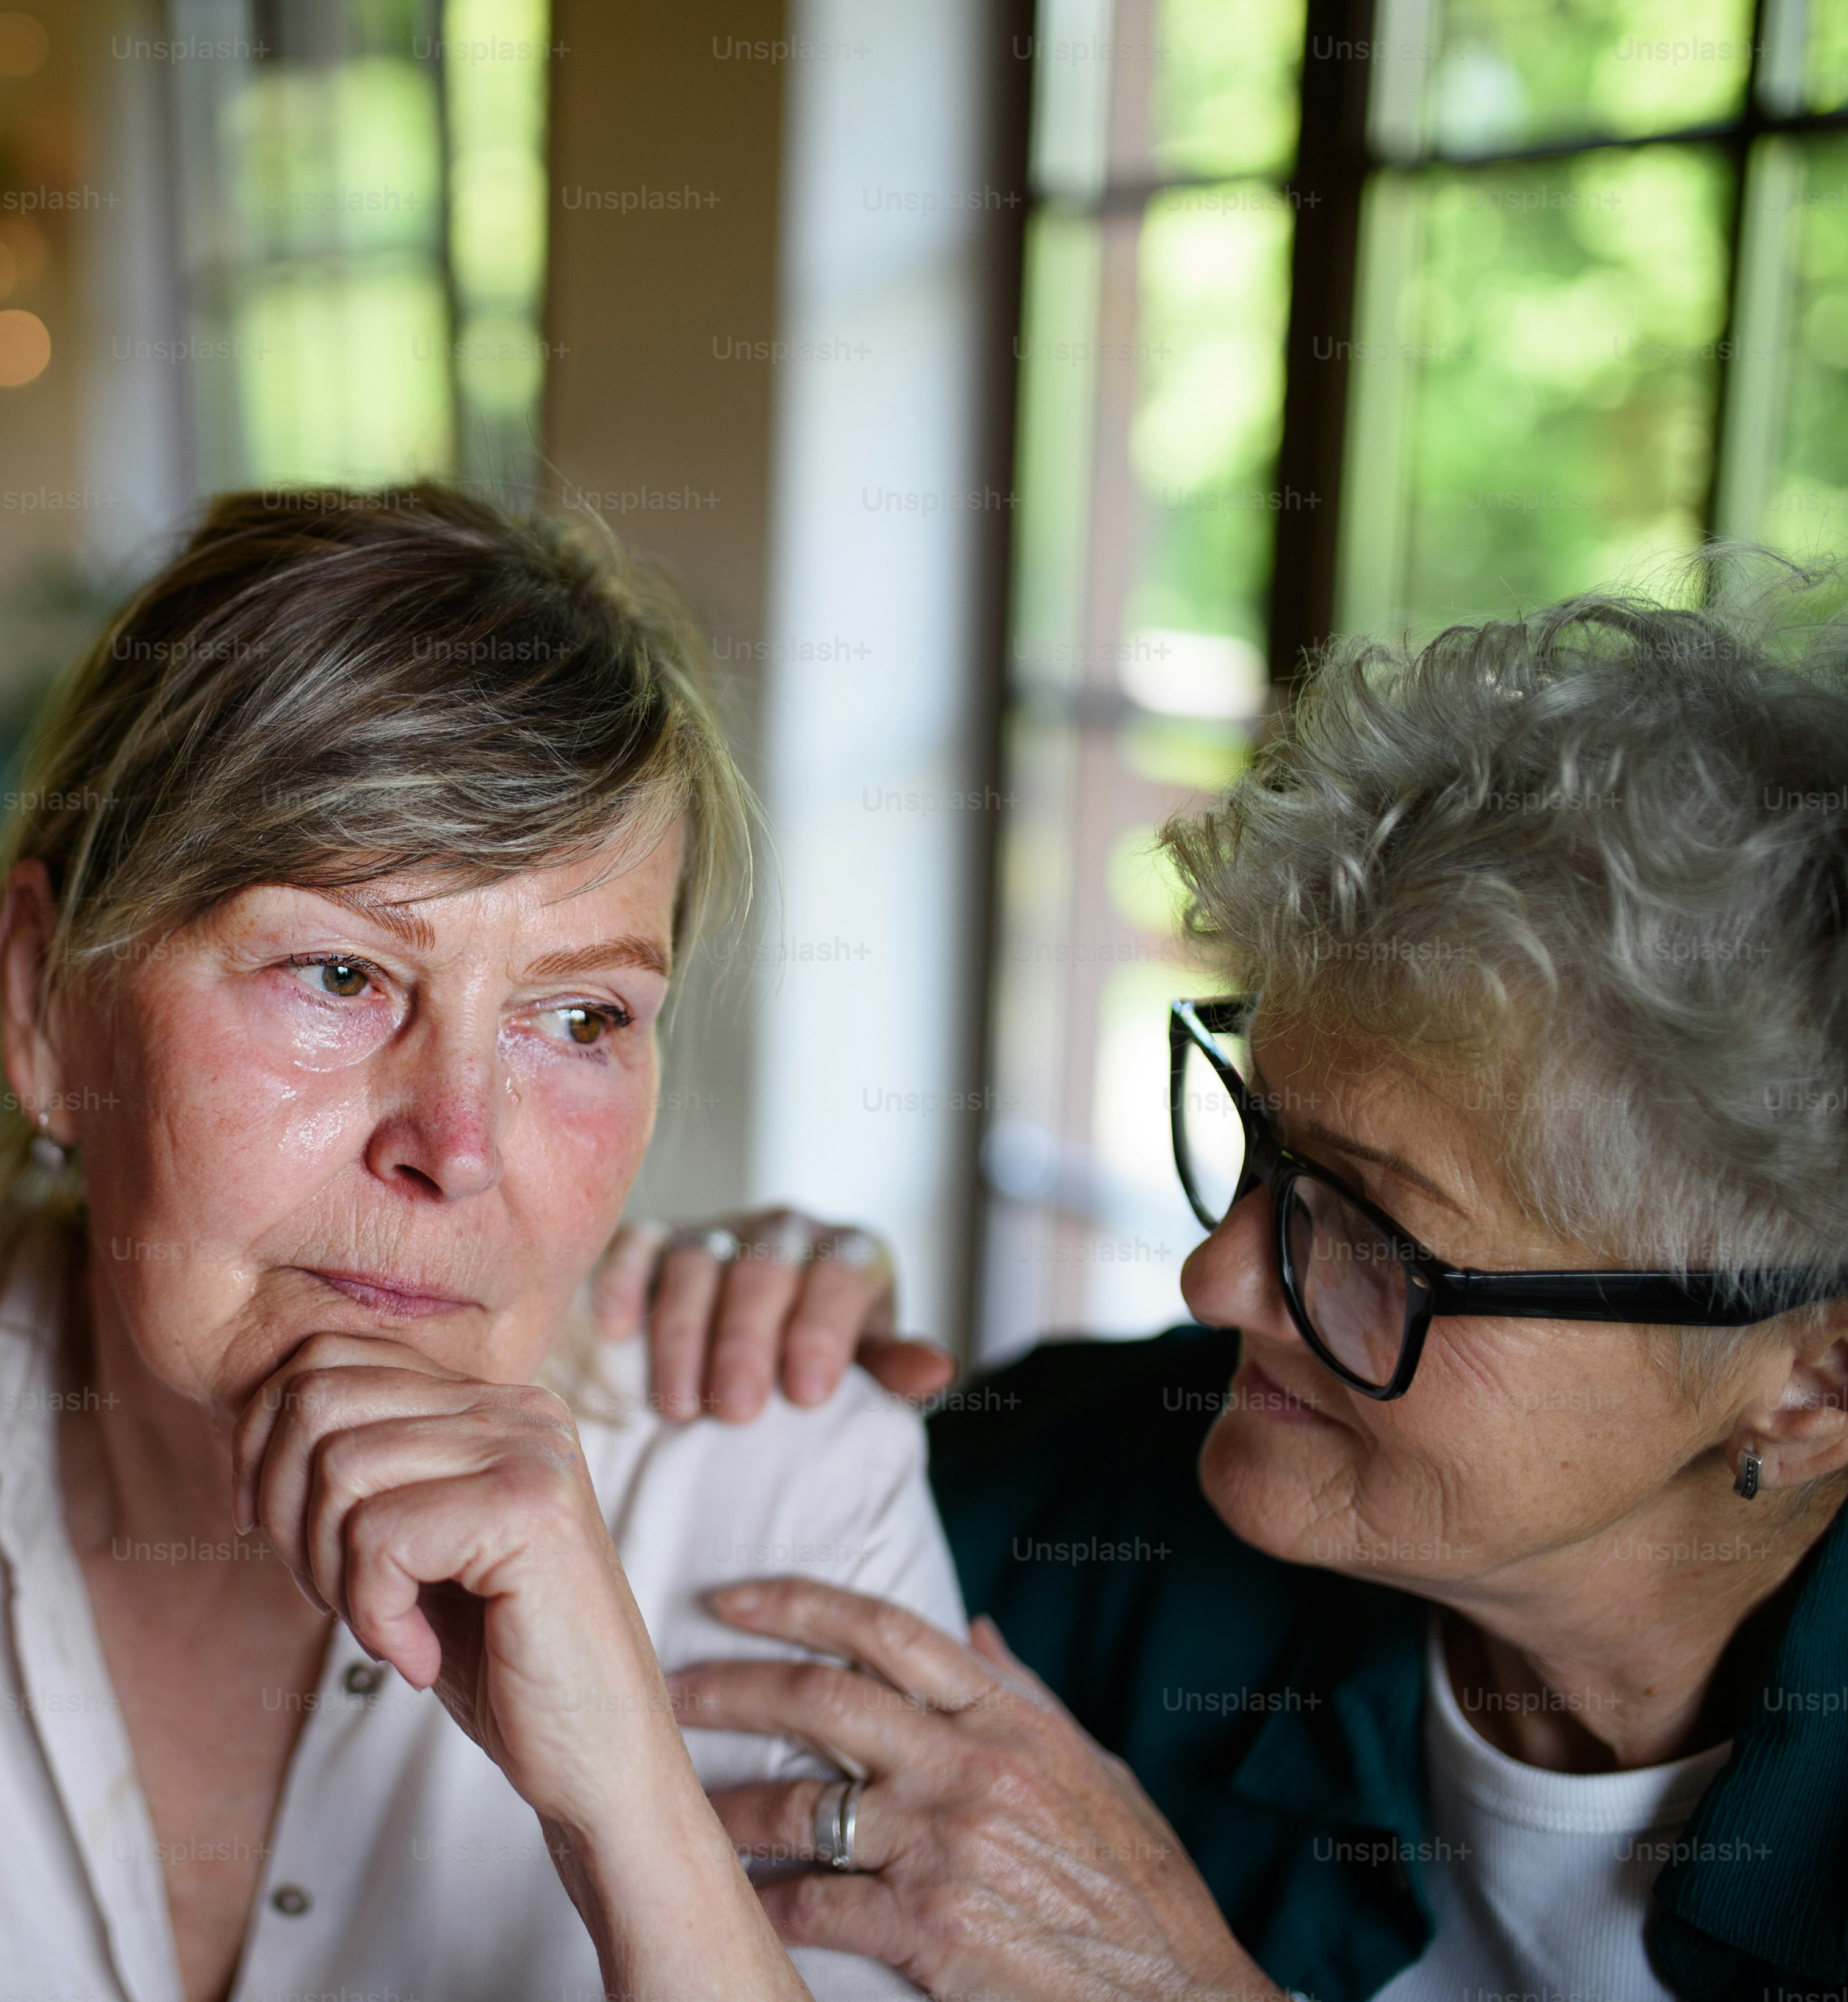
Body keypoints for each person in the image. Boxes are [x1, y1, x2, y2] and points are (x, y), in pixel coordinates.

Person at [0, 487, 963, 2002]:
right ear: (41, 1002)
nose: (457, 1145)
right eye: (337, 973)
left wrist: (632, 1814)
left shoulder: (783, 1492)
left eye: (579, 1016)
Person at [653, 584, 1848, 2001]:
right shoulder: (1112, 1488)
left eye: (1378, 1233)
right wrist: (744, 1363)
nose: (1215, 1277)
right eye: (1262, 1147)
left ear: (1811, 1379)